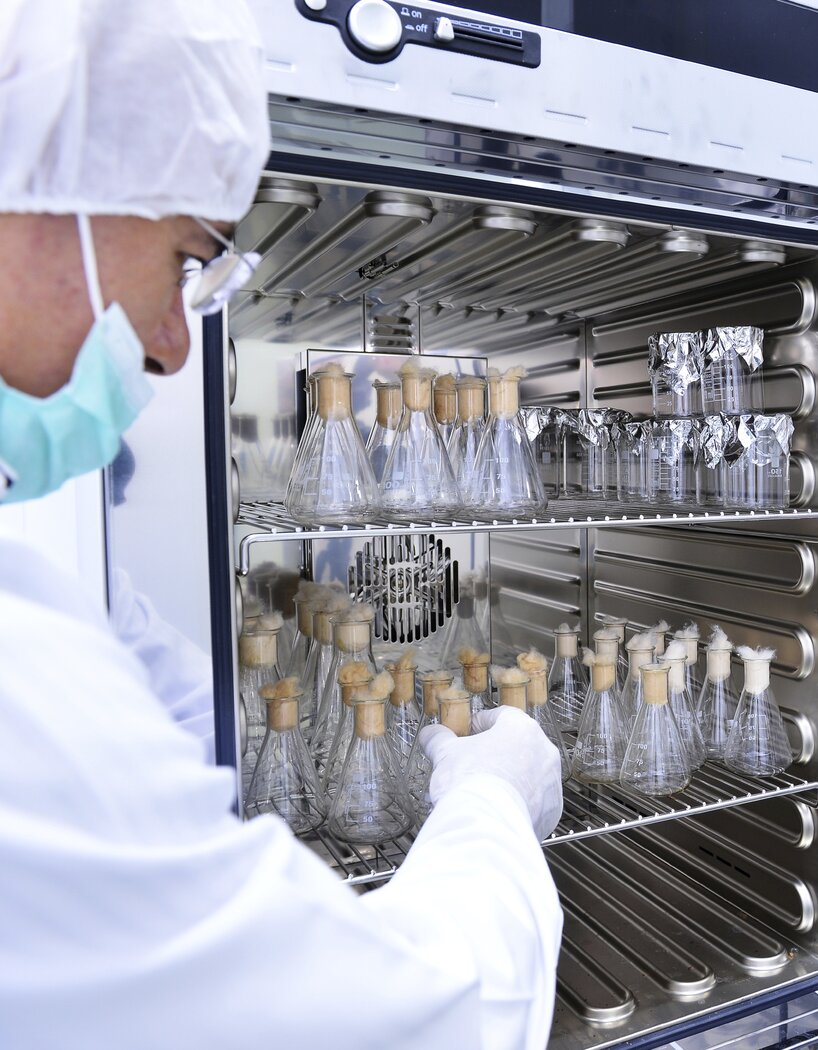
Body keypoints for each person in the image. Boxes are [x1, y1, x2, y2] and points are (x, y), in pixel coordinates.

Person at [0, 3, 564, 1048]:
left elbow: (154, 710)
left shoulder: (39, 599)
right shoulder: (20, 683)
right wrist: (490, 804)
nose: (174, 346)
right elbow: (393, 1024)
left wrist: (284, 723)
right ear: (36, 189)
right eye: (181, 260)